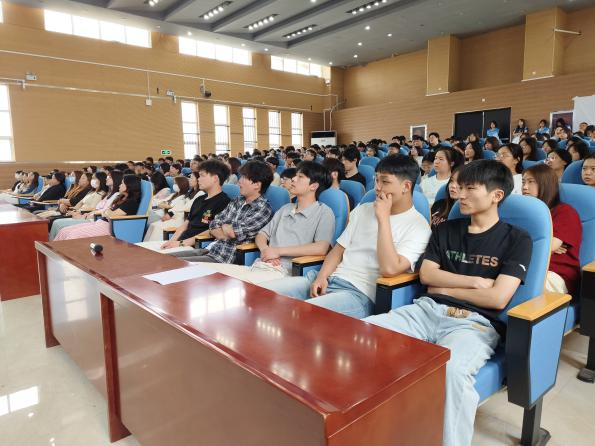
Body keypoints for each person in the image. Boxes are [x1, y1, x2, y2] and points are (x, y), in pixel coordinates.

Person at [364, 160, 532, 446]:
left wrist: (444, 287)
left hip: (474, 324)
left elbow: (497, 297)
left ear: (496, 195)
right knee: (363, 333)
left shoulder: (517, 239)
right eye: (459, 187)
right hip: (425, 311)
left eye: (470, 189)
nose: (460, 194)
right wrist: (474, 282)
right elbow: (427, 275)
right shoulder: (446, 230)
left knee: (451, 370)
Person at [261, 155, 431, 319]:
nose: (377, 187)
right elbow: (338, 250)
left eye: (385, 182)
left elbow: (390, 269)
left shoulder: (418, 227)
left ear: (406, 186)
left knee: (301, 314)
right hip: (330, 279)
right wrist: (321, 277)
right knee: (261, 294)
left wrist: (383, 219)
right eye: (376, 180)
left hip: (359, 293)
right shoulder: (363, 209)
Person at [198, 161, 335, 283]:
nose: (293, 179)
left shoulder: (324, 212)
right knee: (199, 269)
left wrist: (277, 252)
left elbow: (321, 247)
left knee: (220, 281)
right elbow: (262, 234)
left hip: (284, 271)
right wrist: (265, 250)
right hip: (260, 266)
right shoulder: (286, 209)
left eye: (300, 177)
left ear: (313, 186)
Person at [169, 160, 273, 263]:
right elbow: (213, 225)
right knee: (167, 257)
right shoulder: (238, 200)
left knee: (174, 264)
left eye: (244, 177)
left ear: (256, 184)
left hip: (224, 257)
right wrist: (225, 229)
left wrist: (224, 228)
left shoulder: (262, 209)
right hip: (210, 250)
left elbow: (232, 233)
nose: (239, 181)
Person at [522, 164, 582, 294]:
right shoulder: (524, 214)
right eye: (523, 182)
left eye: (531, 182)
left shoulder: (565, 212)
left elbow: (549, 246)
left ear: (546, 184)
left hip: (555, 273)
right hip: (524, 266)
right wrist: (542, 245)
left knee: (515, 286)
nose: (525, 187)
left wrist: (544, 246)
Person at [54, 174, 142, 240]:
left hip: (109, 227)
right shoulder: (121, 198)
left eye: (122, 183)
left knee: (73, 234)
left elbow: (111, 215)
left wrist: (106, 212)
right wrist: (106, 212)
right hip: (101, 222)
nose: (119, 185)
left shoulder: (131, 202)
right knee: (64, 231)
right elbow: (107, 212)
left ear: (129, 185)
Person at [143, 176, 192, 242]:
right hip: (168, 215)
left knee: (158, 227)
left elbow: (178, 210)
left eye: (176, 183)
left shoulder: (184, 198)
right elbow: (162, 202)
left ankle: (157, 244)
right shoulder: (173, 195)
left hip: (175, 219)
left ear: (181, 185)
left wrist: (169, 211)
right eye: (174, 183)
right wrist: (165, 206)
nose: (174, 185)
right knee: (153, 225)